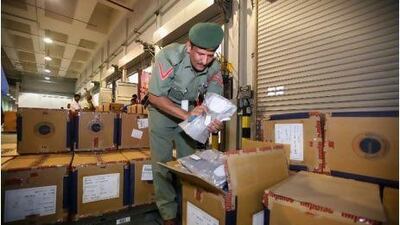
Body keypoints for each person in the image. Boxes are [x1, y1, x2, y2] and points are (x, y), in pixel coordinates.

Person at [148, 22, 224, 225]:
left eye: (210, 56)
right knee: (161, 165)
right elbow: (155, 97)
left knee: (190, 164)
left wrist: (213, 121)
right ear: (189, 46)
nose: (204, 61)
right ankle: (168, 215)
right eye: (200, 54)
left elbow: (214, 102)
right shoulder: (168, 56)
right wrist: (188, 116)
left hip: (189, 110)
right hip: (162, 111)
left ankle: (190, 205)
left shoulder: (214, 67)